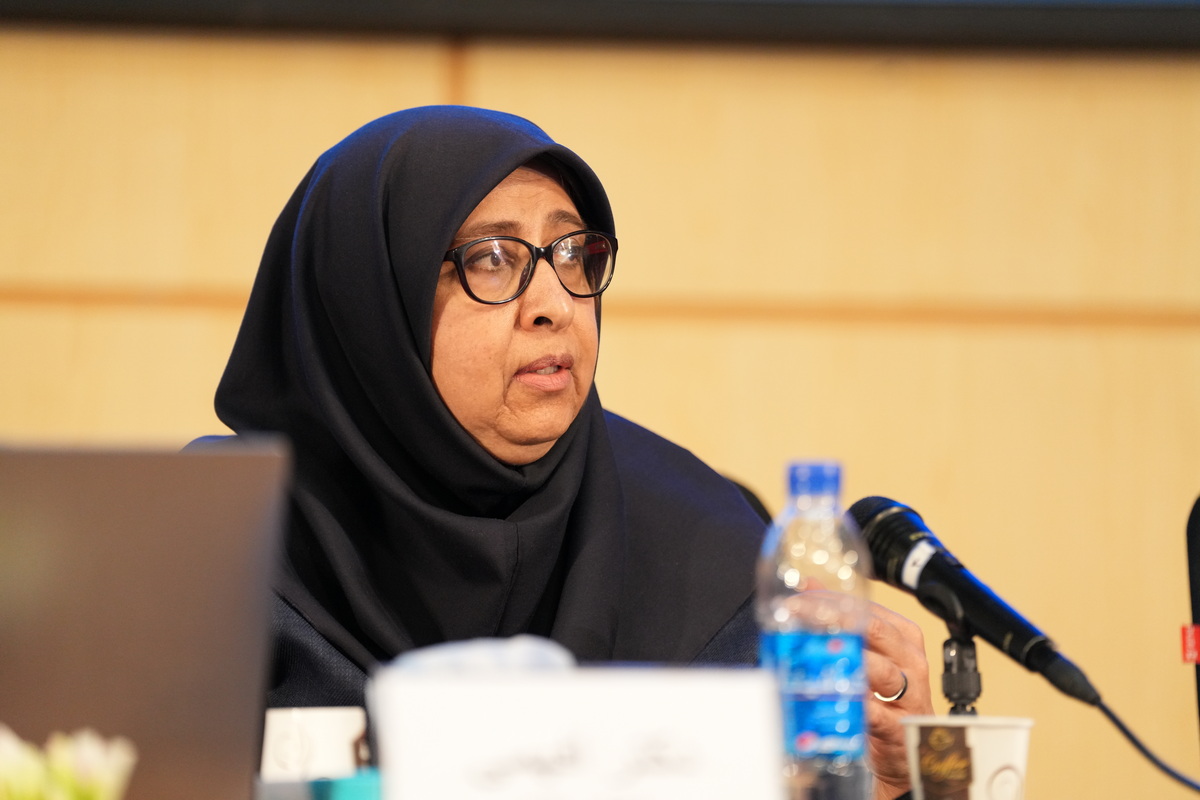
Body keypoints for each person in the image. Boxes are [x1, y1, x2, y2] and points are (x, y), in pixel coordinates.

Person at [204, 105, 932, 800]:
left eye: (573, 254)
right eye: (492, 259)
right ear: (367, 305)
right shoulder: (217, 546)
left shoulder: (707, 543)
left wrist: (896, 786)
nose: (555, 302)